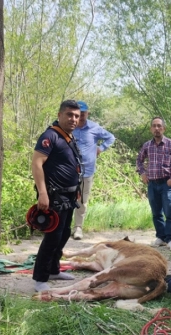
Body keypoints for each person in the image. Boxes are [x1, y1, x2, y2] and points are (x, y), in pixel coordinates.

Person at [31, 100, 84, 292]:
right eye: (69, 114)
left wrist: (75, 191)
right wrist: (43, 193)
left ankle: (53, 269)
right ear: (60, 115)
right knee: (53, 237)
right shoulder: (50, 136)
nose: (73, 119)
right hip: (54, 197)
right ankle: (40, 278)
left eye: (76, 116)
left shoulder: (69, 138)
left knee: (64, 234)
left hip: (69, 197)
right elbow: (37, 163)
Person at [136, 117, 171, 251]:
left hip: (166, 183)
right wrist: (142, 174)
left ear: (164, 128)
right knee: (156, 212)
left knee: (169, 211)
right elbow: (139, 160)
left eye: (159, 126)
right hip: (152, 184)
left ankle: (170, 238)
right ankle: (161, 237)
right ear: (151, 129)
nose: (156, 128)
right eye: (154, 126)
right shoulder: (147, 145)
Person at [71, 101, 115, 240]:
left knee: (82, 200)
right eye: (79, 114)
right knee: (65, 199)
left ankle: (78, 228)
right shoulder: (69, 127)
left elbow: (110, 137)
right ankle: (63, 227)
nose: (81, 116)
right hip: (69, 170)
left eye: (83, 113)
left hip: (87, 171)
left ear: (87, 113)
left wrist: (101, 148)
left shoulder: (94, 128)